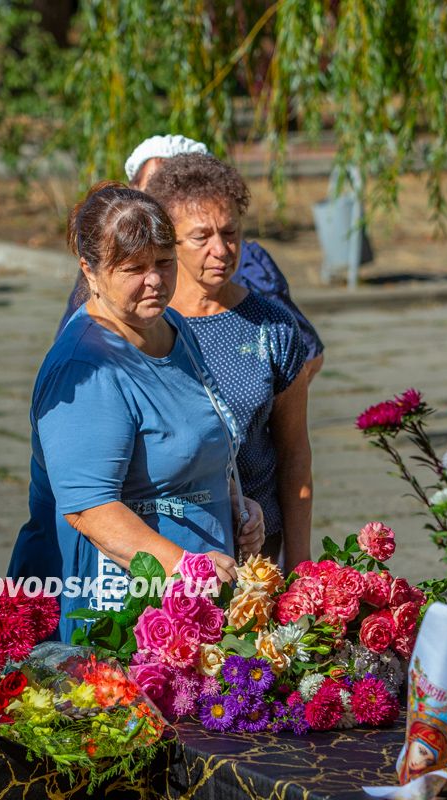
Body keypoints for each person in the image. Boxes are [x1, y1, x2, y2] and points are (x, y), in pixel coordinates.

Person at [8, 182, 266, 640]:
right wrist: (185, 568)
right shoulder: (85, 367)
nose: (155, 280)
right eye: (134, 268)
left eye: (164, 263)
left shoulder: (174, 327)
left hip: (195, 595)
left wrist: (231, 502)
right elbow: (91, 509)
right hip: (122, 606)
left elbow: (193, 442)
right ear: (89, 272)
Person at [145, 154, 312, 573]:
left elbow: (293, 453)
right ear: (170, 240)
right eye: (201, 237)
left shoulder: (273, 326)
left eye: (231, 232)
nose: (221, 250)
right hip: (167, 551)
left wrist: (302, 566)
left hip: (256, 552)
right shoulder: (146, 325)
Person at [57, 134, 325, 382]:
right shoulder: (119, 287)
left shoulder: (253, 278)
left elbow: (303, 354)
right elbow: (77, 361)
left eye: (229, 232)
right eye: (147, 192)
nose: (219, 249)